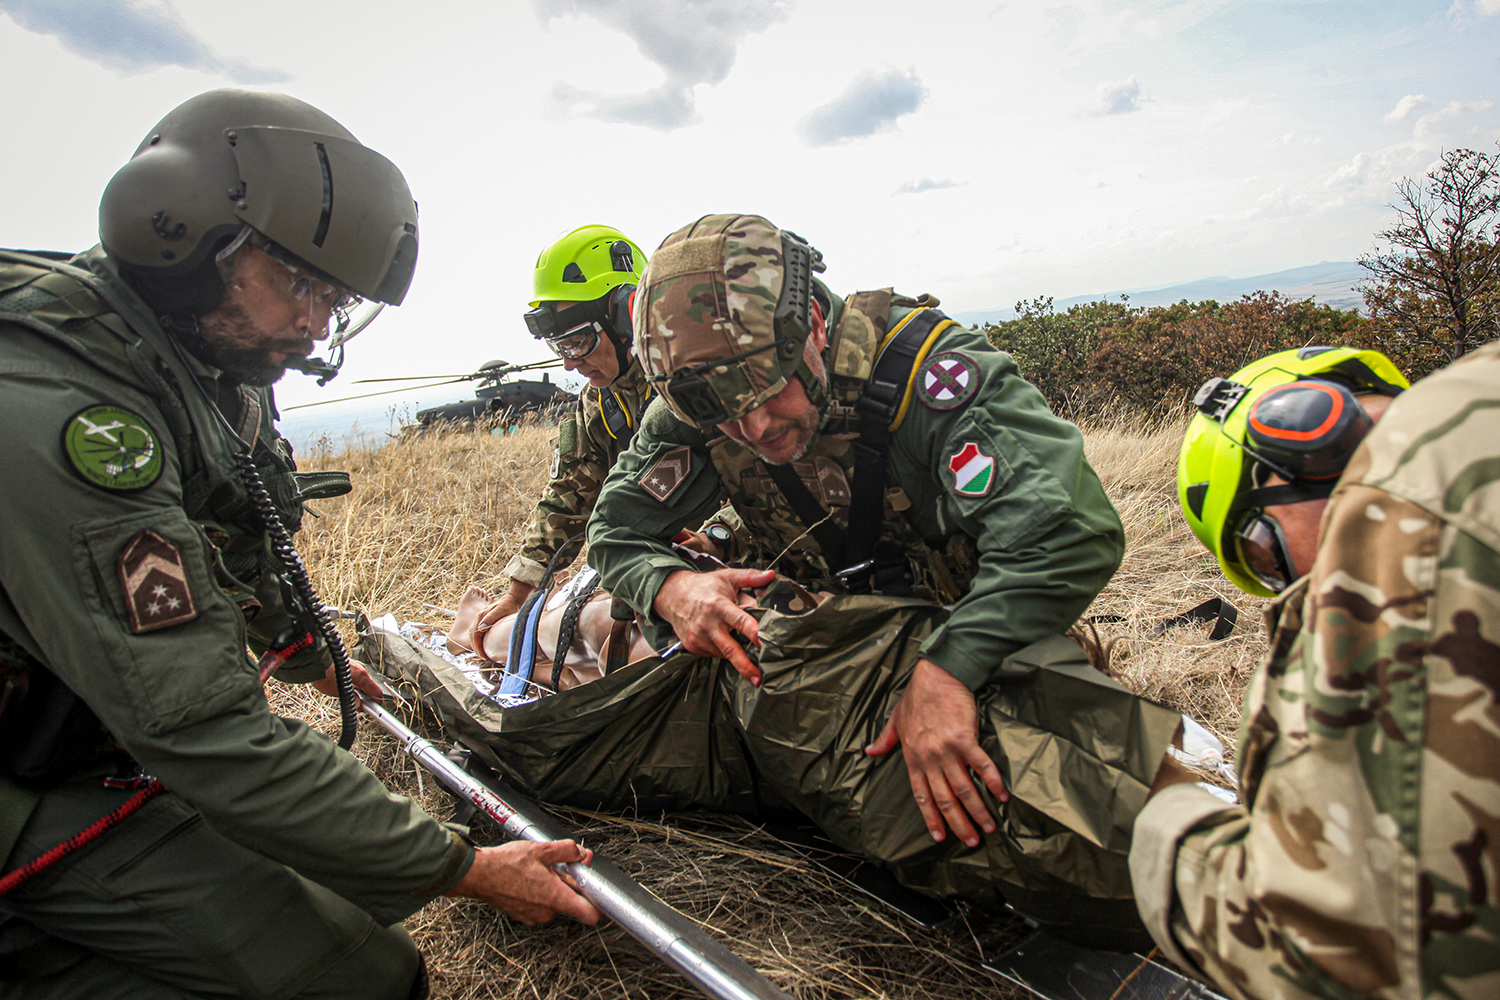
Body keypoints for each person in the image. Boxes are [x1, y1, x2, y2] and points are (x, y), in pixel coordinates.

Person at [0, 89, 598, 1000]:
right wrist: (463, 867)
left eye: (336, 299)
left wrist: (312, 655)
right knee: (357, 981)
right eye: (303, 286)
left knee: (360, 946)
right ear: (182, 233)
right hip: (33, 782)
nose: (319, 323)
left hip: (80, 738)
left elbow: (239, 529)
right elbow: (201, 729)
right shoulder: (69, 412)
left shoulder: (184, 357)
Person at [542, 212, 1182, 945]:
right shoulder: (703, 399)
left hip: (982, 643)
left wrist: (949, 670)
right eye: (724, 416)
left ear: (814, 325)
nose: (755, 428)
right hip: (841, 661)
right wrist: (671, 588)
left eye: (769, 389)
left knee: (1080, 819)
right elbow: (615, 529)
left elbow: (1066, 532)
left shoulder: (929, 376)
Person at [1132, 344, 1500, 998]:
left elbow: (1341, 956)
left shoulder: (1413, 534)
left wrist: (1158, 803)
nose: (1298, 583)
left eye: (1265, 555)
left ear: (1302, 449)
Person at [452, 225, 654, 656]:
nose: (569, 363)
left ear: (627, 318)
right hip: (647, 568)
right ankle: (482, 634)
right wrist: (519, 591)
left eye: (578, 342)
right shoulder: (599, 402)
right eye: (559, 346)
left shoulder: (687, 384)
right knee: (572, 637)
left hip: (706, 560)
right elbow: (568, 495)